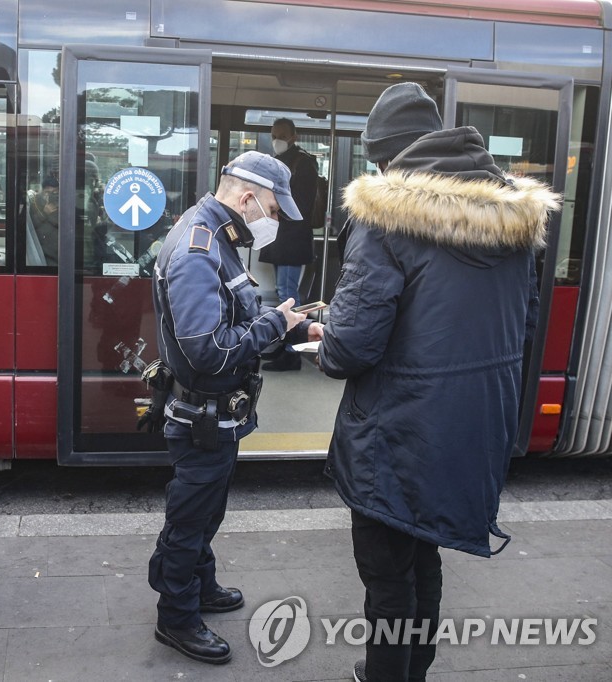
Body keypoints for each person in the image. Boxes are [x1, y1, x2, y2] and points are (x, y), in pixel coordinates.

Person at [316, 83, 560, 681]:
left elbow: (350, 347)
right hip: (471, 427)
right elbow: (524, 325)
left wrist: (326, 337)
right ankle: (414, 670)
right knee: (424, 550)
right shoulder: (513, 218)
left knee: (387, 574)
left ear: (389, 158)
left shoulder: (384, 217)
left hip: (395, 431)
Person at [146, 151, 317, 664]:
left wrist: (295, 327)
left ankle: (200, 585)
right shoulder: (201, 248)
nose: (276, 220)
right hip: (201, 416)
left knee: (205, 512)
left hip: (218, 415)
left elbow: (239, 310)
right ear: (246, 199)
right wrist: (274, 327)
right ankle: (175, 618)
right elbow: (210, 348)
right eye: (274, 208)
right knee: (190, 516)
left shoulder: (218, 238)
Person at [259, 117, 320, 372]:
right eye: (274, 135)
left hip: (291, 240)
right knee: (282, 292)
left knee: (288, 297)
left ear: (293, 137)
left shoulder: (303, 163)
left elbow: (301, 206)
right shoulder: (280, 161)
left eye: (282, 135)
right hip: (280, 239)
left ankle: (290, 353)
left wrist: (274, 211)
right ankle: (282, 346)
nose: (277, 140)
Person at [26, 175, 59, 265]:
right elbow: (31, 227)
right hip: (44, 251)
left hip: (60, 250)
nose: (51, 195)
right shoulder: (35, 204)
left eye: (55, 192)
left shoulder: (63, 203)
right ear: (42, 192)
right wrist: (44, 213)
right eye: (47, 192)